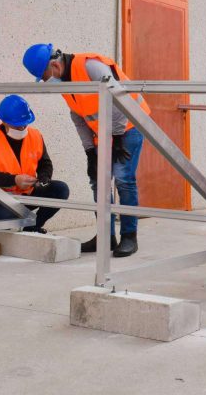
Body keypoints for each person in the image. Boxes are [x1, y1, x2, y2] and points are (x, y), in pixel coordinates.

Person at [22, 43, 150, 257]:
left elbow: (120, 100)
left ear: (55, 65)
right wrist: (90, 151)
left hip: (128, 126)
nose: (46, 82)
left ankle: (129, 236)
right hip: (105, 132)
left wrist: (118, 137)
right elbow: (78, 117)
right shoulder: (66, 83)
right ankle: (106, 236)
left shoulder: (90, 66)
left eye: (45, 77)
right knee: (98, 181)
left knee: (123, 179)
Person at [0, 95, 69, 233]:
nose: (22, 128)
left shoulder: (35, 135)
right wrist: (14, 180)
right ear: (4, 121)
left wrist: (44, 178)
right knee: (10, 215)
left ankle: (32, 228)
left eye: (25, 123)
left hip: (25, 193)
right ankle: (1, 230)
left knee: (60, 189)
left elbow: (45, 163)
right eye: (17, 125)